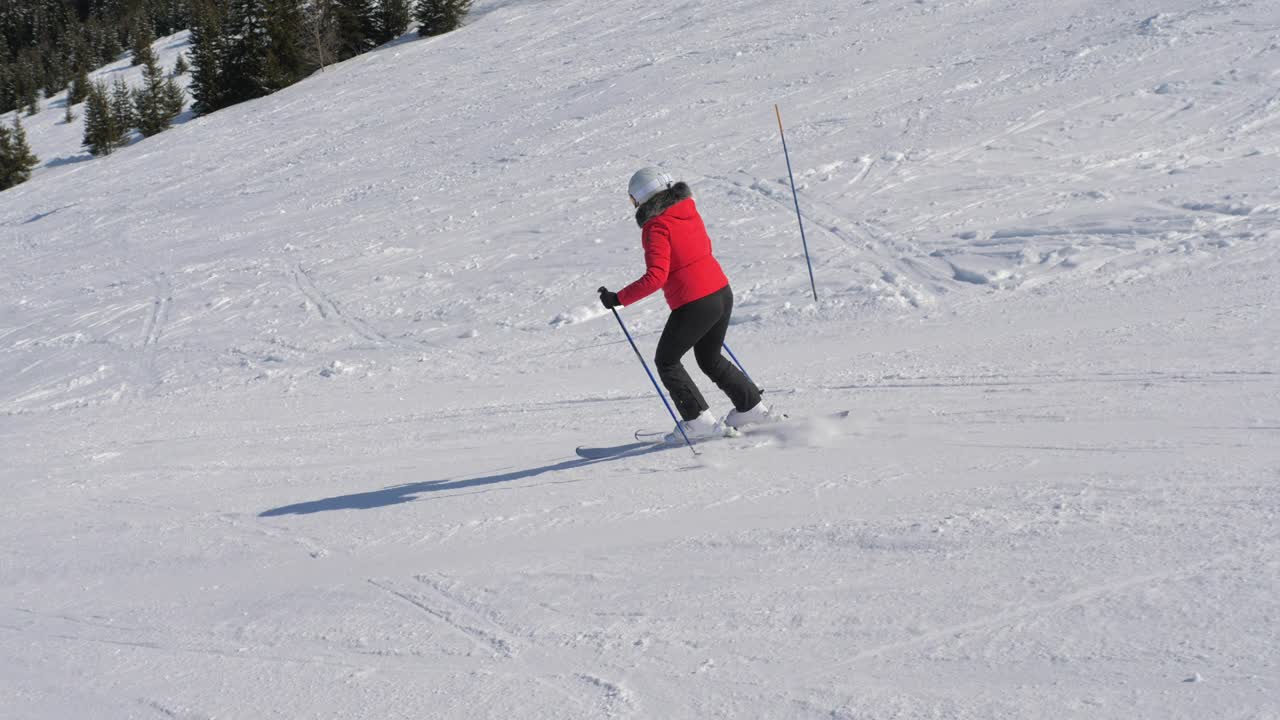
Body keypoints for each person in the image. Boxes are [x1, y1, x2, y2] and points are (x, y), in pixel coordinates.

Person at [599, 167, 774, 442]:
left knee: (667, 361)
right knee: (709, 358)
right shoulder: (689, 211)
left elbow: (656, 277)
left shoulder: (656, 226)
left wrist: (618, 299)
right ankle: (751, 408)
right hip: (721, 293)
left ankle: (698, 421)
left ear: (643, 197)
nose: (633, 204)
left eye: (633, 198)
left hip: (695, 303)